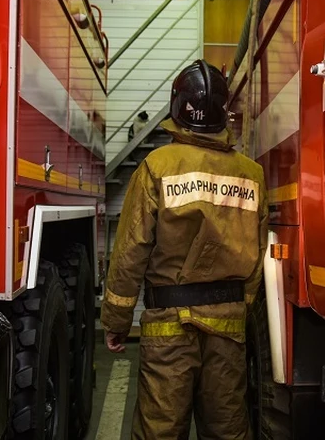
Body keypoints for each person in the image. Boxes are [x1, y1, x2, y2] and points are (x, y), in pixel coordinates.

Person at [101, 59, 268, 439]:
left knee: (160, 430)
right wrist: (239, 307)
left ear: (177, 107)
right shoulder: (252, 174)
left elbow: (130, 253)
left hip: (169, 327)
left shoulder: (157, 167)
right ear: (224, 112)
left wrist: (116, 322)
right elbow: (258, 256)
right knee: (227, 430)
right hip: (228, 328)